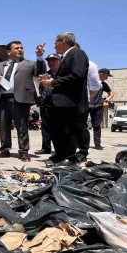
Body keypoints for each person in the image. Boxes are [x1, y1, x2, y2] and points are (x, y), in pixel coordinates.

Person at [0, 41, 45, 162]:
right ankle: (5, 149)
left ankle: (23, 151)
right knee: (4, 126)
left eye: (21, 48)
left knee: (22, 126)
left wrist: (40, 57)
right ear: (8, 52)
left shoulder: (29, 64)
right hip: (2, 98)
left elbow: (40, 71)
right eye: (16, 48)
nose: (20, 50)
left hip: (20, 99)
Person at [39, 32, 88, 166]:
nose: (54, 46)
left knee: (69, 131)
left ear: (63, 42)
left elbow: (77, 76)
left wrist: (53, 82)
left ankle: (70, 158)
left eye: (55, 43)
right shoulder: (65, 56)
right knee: (58, 130)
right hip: (60, 102)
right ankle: (60, 155)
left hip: (70, 101)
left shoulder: (77, 53)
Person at [35, 53, 61, 156]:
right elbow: (40, 90)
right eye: (49, 61)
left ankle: (59, 148)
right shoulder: (46, 75)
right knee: (45, 127)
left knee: (58, 127)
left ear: (59, 61)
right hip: (46, 103)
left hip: (59, 104)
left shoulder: (62, 74)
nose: (51, 62)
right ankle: (46, 148)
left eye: (54, 60)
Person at [77, 59, 103, 162]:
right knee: (78, 125)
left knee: (95, 125)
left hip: (97, 106)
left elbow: (110, 93)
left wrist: (107, 100)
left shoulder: (102, 84)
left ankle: (97, 144)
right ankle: (75, 146)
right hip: (88, 105)